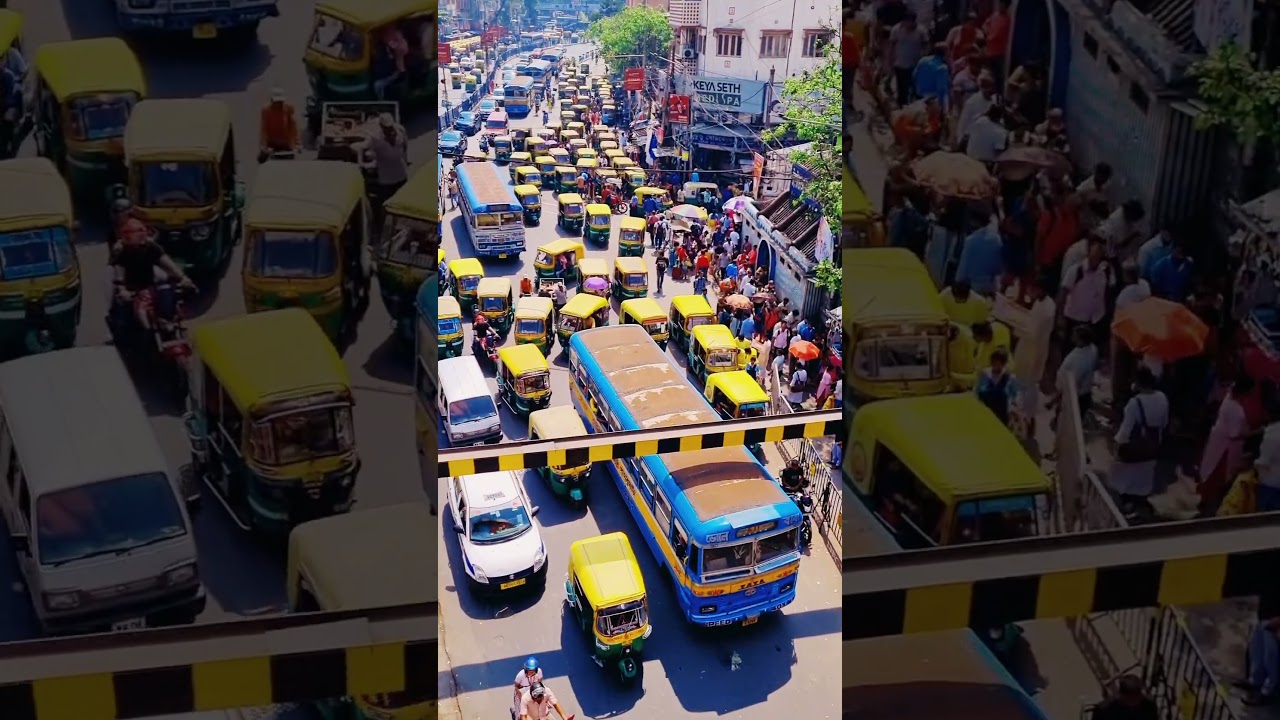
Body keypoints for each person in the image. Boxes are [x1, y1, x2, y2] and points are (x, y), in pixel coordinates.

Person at [110, 219, 195, 333]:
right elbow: (118, 272)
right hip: (130, 288)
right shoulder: (120, 251)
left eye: (142, 240)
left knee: (171, 298)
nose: (140, 245)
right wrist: (122, 289)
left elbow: (166, 263)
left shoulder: (151, 247)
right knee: (122, 319)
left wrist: (182, 277)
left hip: (149, 285)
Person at [1110, 366, 1169, 515]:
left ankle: (1129, 506)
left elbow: (1125, 431)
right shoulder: (1162, 397)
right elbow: (1164, 422)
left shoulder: (1134, 403)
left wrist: (1116, 446)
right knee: (1145, 477)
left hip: (1134, 449)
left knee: (1126, 479)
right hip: (1153, 446)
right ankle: (1142, 503)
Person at [355, 113, 411, 206]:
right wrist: (361, 163)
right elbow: (362, 148)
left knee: (402, 202)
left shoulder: (400, 131)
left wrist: (405, 159)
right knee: (387, 204)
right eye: (386, 127)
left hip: (401, 175)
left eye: (390, 127)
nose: (389, 130)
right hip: (386, 179)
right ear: (381, 126)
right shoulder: (375, 138)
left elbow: (405, 146)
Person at [258, 88, 299, 163]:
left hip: (285, 143)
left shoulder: (289, 108)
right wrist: (263, 145)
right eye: (276, 101)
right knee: (261, 160)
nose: (278, 104)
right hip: (271, 143)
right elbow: (264, 129)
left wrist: (297, 144)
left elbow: (293, 126)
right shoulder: (266, 110)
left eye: (280, 101)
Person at [1092, 675, 1158, 720]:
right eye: (1134, 698)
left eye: (1139, 695)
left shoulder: (1149, 706)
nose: (1140, 699)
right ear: (1122, 695)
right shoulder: (1104, 710)